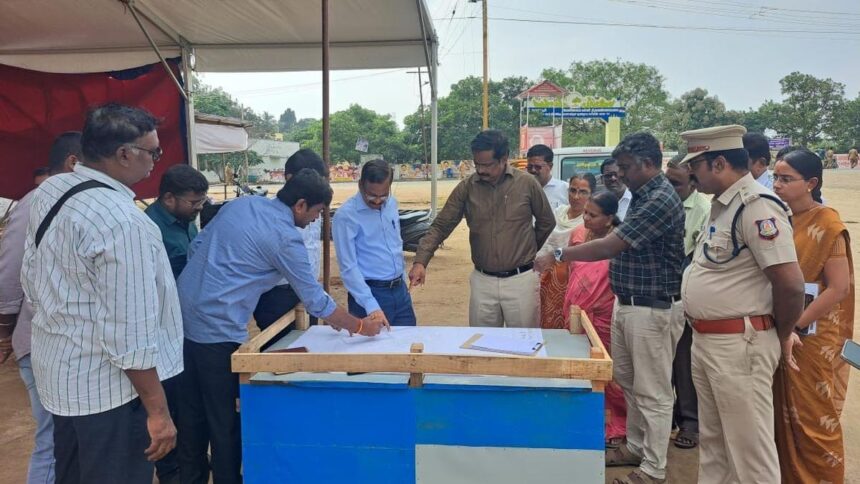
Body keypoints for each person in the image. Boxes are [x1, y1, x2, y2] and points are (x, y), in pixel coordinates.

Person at [176, 169, 387, 484]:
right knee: (225, 422)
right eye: (317, 212)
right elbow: (315, 301)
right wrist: (360, 327)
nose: (316, 220)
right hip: (216, 331)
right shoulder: (285, 238)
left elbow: (197, 247)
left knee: (191, 417)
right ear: (300, 205)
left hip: (181, 318)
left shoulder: (243, 204)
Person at [21, 104, 182, 484]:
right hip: (112, 395)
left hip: (64, 380)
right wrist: (158, 413)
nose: (156, 162)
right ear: (124, 154)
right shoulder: (123, 222)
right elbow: (130, 334)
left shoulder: (52, 191)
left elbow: (31, 279)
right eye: (153, 152)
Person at [536, 132, 685, 484]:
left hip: (652, 308)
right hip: (630, 304)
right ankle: (634, 446)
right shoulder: (643, 194)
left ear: (648, 163)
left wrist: (558, 254)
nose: (622, 175)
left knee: (654, 392)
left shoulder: (659, 199)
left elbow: (610, 246)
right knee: (629, 382)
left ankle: (653, 468)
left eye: (627, 168)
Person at [680, 125, 805, 484]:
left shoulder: (757, 206)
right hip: (710, 341)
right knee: (715, 446)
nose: (691, 174)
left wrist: (781, 334)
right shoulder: (723, 205)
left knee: (751, 455)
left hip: (740, 344)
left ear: (719, 163)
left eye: (696, 165)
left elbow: (790, 285)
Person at [410, 129, 555, 328]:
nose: (481, 170)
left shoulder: (527, 183)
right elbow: (441, 226)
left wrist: (527, 248)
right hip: (482, 282)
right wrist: (420, 261)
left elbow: (547, 222)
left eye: (487, 165)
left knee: (524, 341)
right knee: (482, 342)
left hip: (521, 281)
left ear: (504, 159)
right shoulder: (467, 187)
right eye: (477, 164)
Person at [0, 132, 81, 484]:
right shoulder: (37, 202)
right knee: (54, 441)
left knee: (70, 441)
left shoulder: (79, 201)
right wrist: (5, 332)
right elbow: (9, 275)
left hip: (68, 345)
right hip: (41, 341)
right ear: (73, 162)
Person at [772, 148, 854, 484]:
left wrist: (796, 324)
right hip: (784, 330)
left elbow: (839, 288)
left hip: (812, 336)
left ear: (811, 183)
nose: (777, 184)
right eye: (775, 177)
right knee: (781, 413)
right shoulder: (781, 219)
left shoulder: (828, 224)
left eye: (786, 179)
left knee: (814, 417)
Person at [560, 191, 626, 448]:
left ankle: (615, 423)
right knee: (578, 369)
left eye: (593, 215)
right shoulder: (579, 235)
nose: (585, 218)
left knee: (607, 373)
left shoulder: (618, 243)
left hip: (603, 319)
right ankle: (582, 418)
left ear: (609, 219)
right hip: (576, 316)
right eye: (585, 213)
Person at [333, 159, 417, 326]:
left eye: (383, 195)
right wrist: (371, 305)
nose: (377, 201)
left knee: (408, 340)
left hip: (400, 292)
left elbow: (395, 244)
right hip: (369, 294)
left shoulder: (391, 204)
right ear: (360, 185)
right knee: (373, 343)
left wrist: (401, 280)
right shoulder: (346, 216)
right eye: (371, 195)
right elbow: (348, 267)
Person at [664, 156, 710, 450]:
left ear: (693, 183)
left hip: (684, 293)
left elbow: (698, 259)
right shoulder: (661, 203)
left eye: (676, 183)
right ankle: (667, 416)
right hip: (659, 293)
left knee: (684, 363)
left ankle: (690, 423)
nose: (669, 188)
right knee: (661, 361)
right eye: (666, 181)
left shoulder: (704, 210)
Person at [253, 149, 327, 331]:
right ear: (289, 178)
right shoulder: (271, 216)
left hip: (308, 290)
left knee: (310, 340)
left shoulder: (314, 206)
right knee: (282, 345)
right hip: (278, 294)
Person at [538, 174, 594, 329]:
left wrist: (556, 256)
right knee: (544, 320)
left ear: (592, 195)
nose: (576, 197)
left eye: (583, 192)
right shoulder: (558, 213)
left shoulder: (590, 222)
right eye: (573, 190)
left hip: (572, 281)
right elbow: (545, 243)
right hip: (545, 277)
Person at [146, 164, 209, 279]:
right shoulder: (148, 227)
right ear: (169, 199)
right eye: (194, 202)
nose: (200, 207)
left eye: (202, 201)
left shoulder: (184, 216)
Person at [526, 144, 568, 209]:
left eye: (537, 167)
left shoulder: (565, 189)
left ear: (550, 166)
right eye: (530, 167)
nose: (533, 170)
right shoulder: (522, 189)